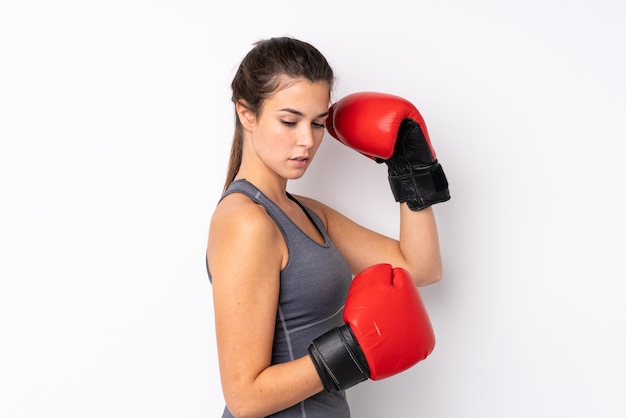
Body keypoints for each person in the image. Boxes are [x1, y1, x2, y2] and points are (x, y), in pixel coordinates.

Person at [206, 36, 450, 418]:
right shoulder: (246, 222)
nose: (307, 141)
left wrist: (408, 168)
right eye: (289, 121)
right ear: (246, 113)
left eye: (318, 123)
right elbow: (244, 398)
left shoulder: (310, 214)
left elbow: (421, 267)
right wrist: (353, 348)